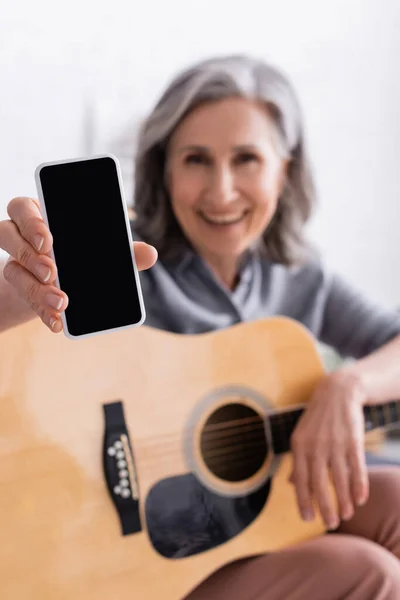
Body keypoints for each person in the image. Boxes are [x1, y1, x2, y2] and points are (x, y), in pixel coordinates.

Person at [1, 54, 400, 599]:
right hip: (134, 558)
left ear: (284, 168)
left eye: (246, 159)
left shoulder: (301, 276)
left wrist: (347, 385)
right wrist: (19, 295)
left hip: (254, 523)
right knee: (371, 572)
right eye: (196, 160)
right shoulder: (125, 261)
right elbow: (23, 368)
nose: (221, 190)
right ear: (162, 170)